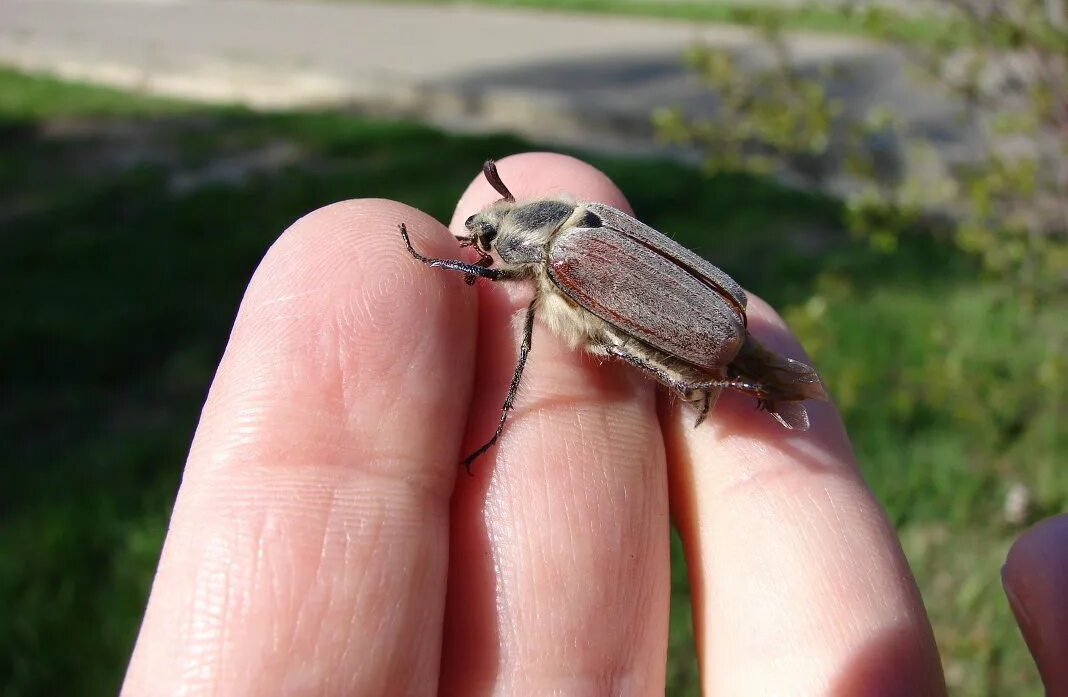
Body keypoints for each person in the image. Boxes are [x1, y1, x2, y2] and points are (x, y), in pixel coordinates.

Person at [121, 153, 1066, 695]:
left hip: (695, 326)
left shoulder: (559, 261)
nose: (484, 248)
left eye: (489, 242)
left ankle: (726, 383)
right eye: (483, 243)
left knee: (612, 344)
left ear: (515, 241)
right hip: (712, 302)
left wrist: (447, 267)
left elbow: (564, 327)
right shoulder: (563, 223)